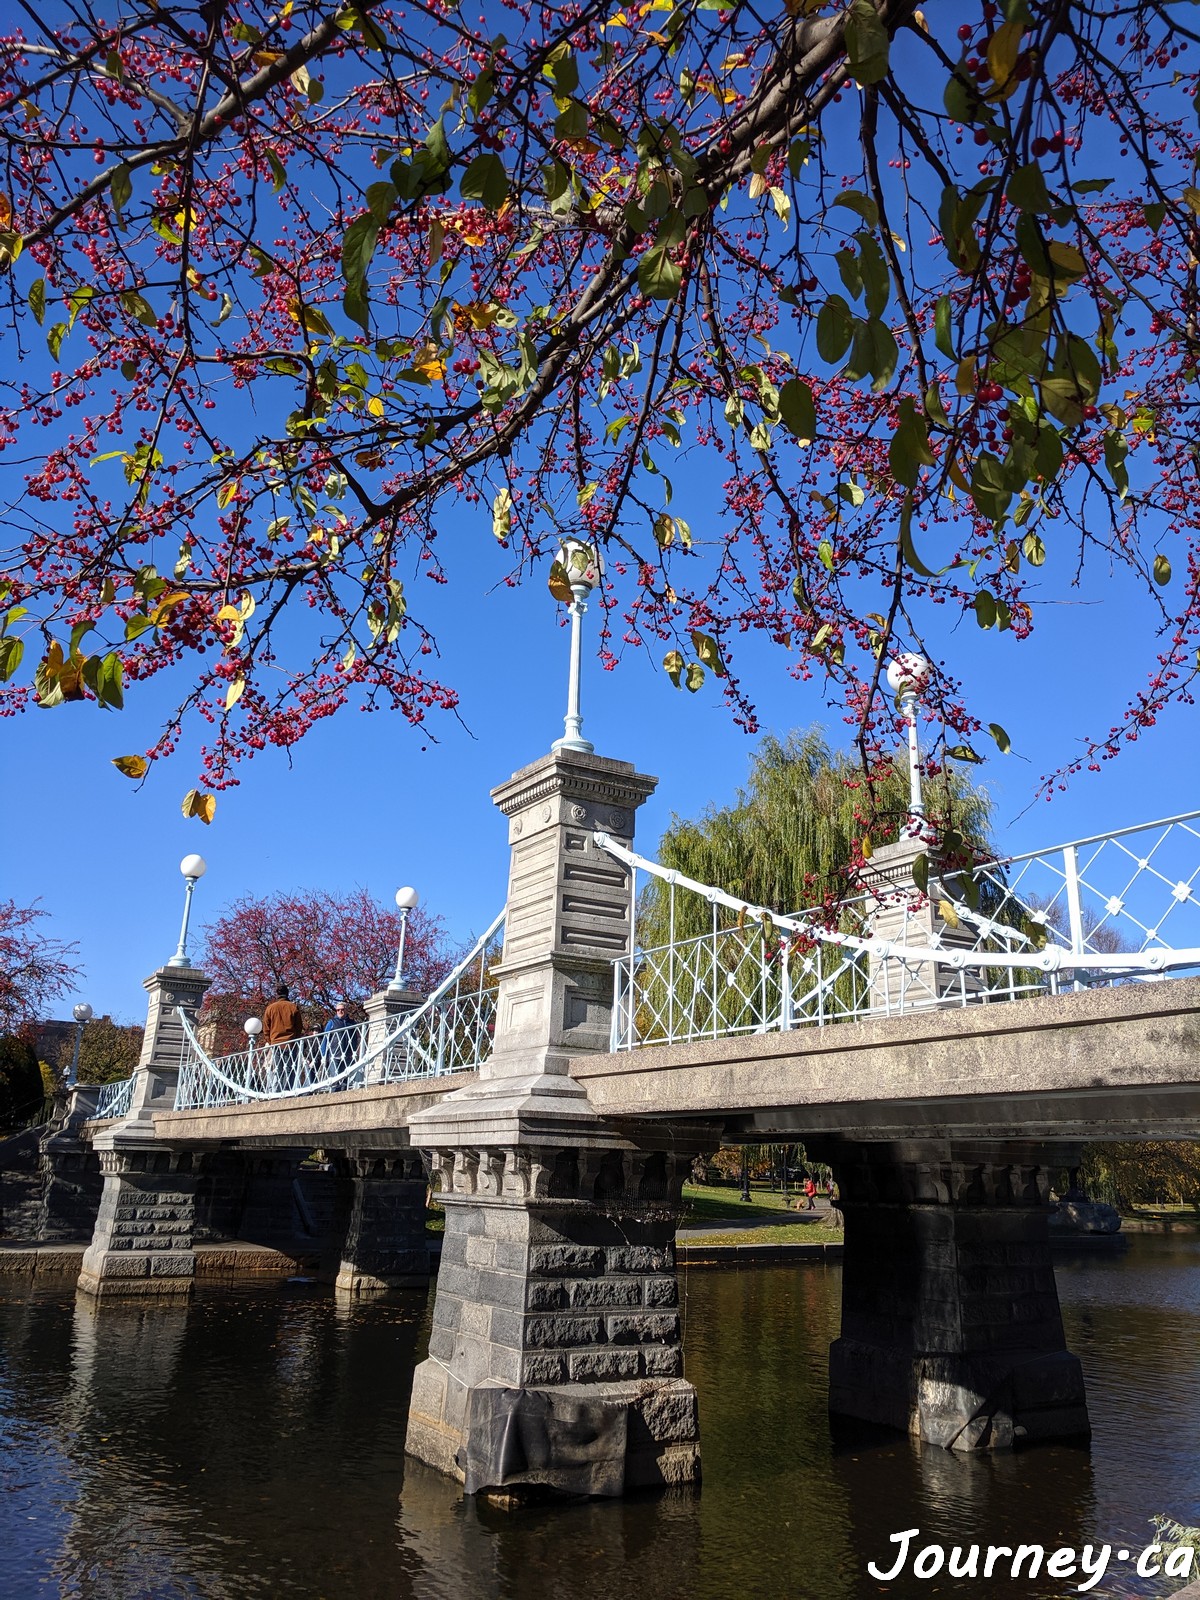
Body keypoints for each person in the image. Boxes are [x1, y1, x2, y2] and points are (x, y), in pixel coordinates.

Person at [261, 983, 305, 1091]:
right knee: (290, 1068)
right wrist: (295, 1039)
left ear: (277, 994)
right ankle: (288, 1089)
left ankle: (279, 1090)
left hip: (276, 1043)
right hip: (290, 1042)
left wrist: (270, 1041)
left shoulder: (270, 1008)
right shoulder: (293, 1007)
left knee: (279, 1069)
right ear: (287, 993)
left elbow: (266, 1028)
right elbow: (299, 1026)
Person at [321, 1000, 357, 1085]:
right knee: (335, 1081)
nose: (340, 1011)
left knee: (346, 1082)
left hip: (348, 1056)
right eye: (338, 1010)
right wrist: (324, 1055)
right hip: (334, 1056)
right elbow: (325, 1039)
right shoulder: (332, 1022)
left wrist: (355, 1052)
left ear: (346, 1010)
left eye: (342, 1009)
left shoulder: (352, 1023)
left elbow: (355, 1039)